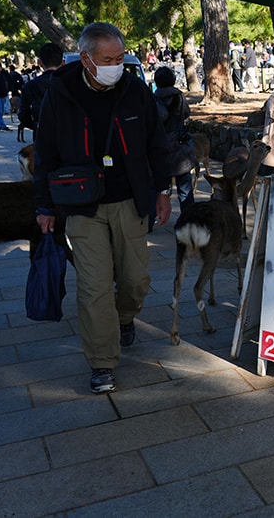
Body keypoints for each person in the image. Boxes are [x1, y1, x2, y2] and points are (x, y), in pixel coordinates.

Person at [33, 21, 171, 394]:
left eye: (120, 57)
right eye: (108, 58)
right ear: (86, 59)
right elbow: (44, 152)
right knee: (94, 287)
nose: (116, 64)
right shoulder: (60, 93)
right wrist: (44, 206)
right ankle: (102, 362)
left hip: (130, 200)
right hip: (82, 206)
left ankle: (123, 318)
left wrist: (163, 189)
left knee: (135, 280)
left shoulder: (135, 90)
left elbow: (157, 143)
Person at [152, 65, 195, 211]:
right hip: (179, 147)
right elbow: (186, 113)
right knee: (185, 187)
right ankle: (189, 217)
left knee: (156, 187)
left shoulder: (153, 99)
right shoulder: (179, 97)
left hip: (159, 149)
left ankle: (151, 219)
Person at [19, 42, 64, 138]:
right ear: (63, 62)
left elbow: (23, 114)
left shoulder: (30, 86)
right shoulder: (70, 83)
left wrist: (35, 126)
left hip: (41, 132)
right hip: (68, 133)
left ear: (40, 63)